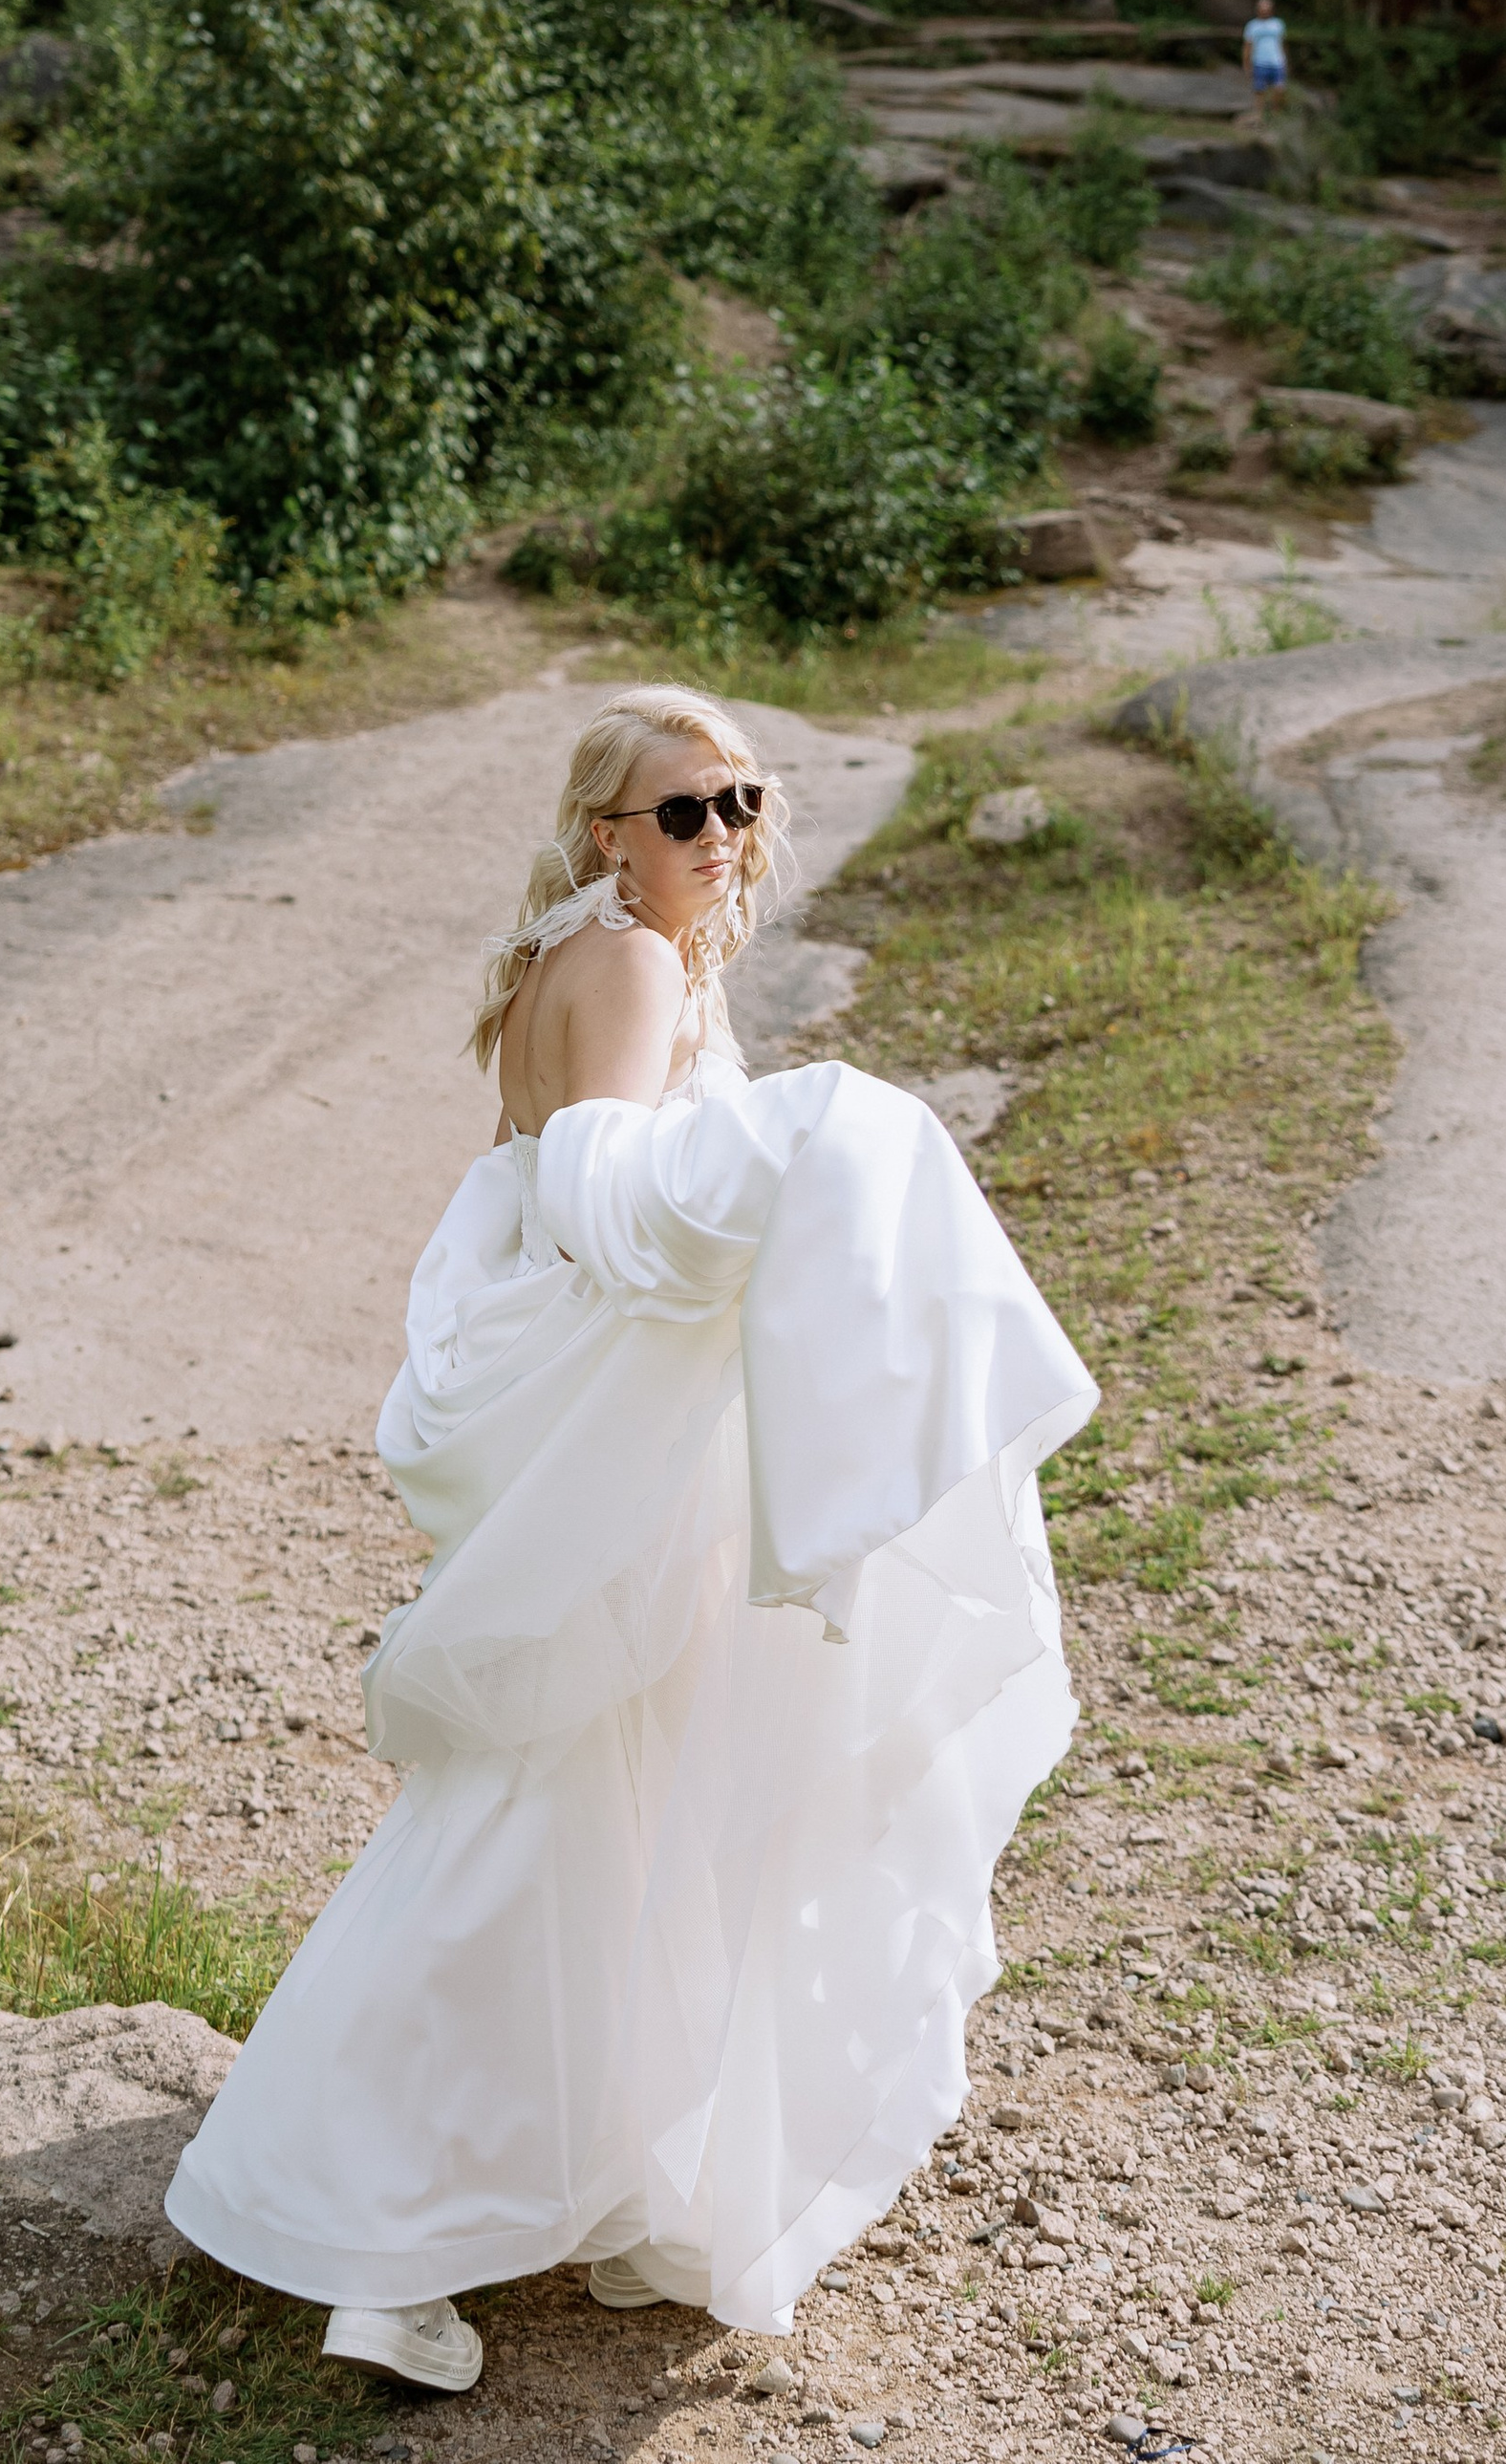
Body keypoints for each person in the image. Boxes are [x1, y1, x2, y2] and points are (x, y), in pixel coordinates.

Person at [166, 683, 1096, 2391]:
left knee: (622, 1791)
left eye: (743, 800)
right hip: (608, 1433)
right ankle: (385, 2236)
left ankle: (584, 2172)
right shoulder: (631, 962)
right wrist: (816, 1142)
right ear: (609, 831)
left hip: (615, 1422)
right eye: (685, 811)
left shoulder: (586, 956)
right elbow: (606, 1204)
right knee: (545, 1792)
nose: (724, 836)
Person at [1242, 0, 1288, 109]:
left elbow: (1281, 43)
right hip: (1259, 61)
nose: (1264, 11)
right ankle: (1259, 114)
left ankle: (1275, 110)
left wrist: (1285, 60)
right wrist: (1246, 64)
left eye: (1267, 8)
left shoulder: (1278, 24)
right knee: (1259, 90)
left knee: (1279, 88)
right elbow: (1248, 46)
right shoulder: (1252, 26)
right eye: (1262, 8)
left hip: (1276, 61)